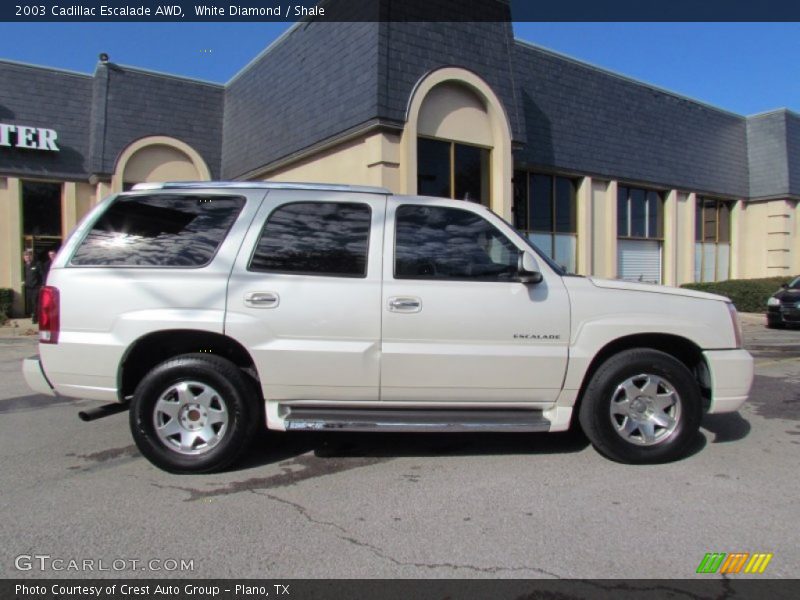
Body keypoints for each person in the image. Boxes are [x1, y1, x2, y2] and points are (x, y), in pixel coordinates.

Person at [22, 249, 43, 324]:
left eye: (28, 255)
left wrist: (42, 285)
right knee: (30, 303)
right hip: (28, 288)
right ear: (23, 257)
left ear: (31, 256)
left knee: (35, 302)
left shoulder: (37, 264)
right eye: (25, 256)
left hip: (36, 287)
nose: (27, 257)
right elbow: (24, 276)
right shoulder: (24, 266)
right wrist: (24, 281)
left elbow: (42, 275)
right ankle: (32, 315)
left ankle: (35, 317)